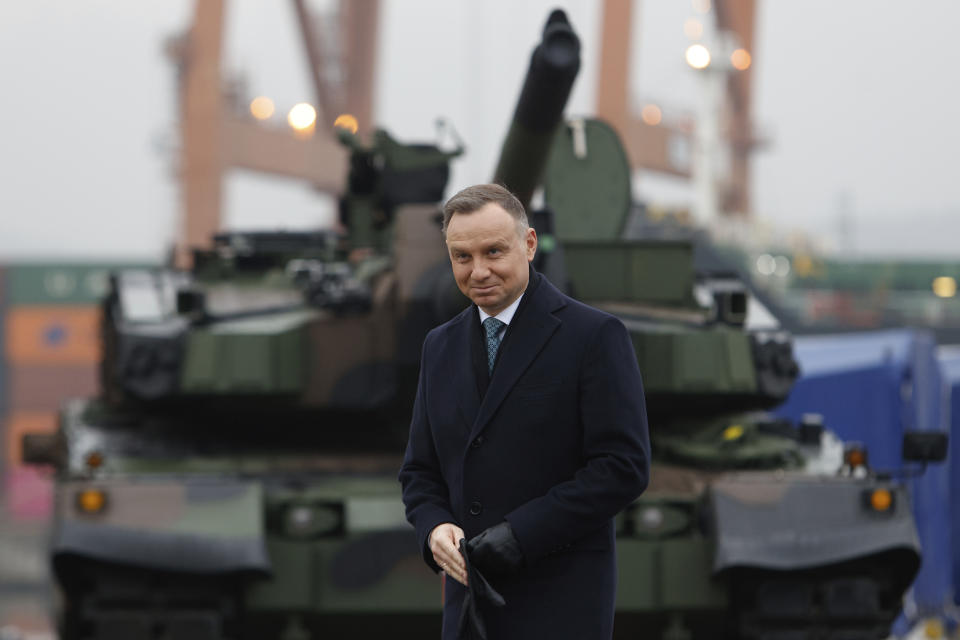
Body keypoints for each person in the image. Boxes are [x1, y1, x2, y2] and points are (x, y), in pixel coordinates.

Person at [399, 183, 650, 640]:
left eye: (494, 251)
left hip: (559, 605)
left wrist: (520, 535)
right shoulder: (439, 346)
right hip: (468, 611)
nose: (478, 271)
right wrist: (434, 528)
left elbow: (623, 467)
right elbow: (420, 471)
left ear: (529, 244)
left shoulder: (593, 336)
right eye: (462, 257)